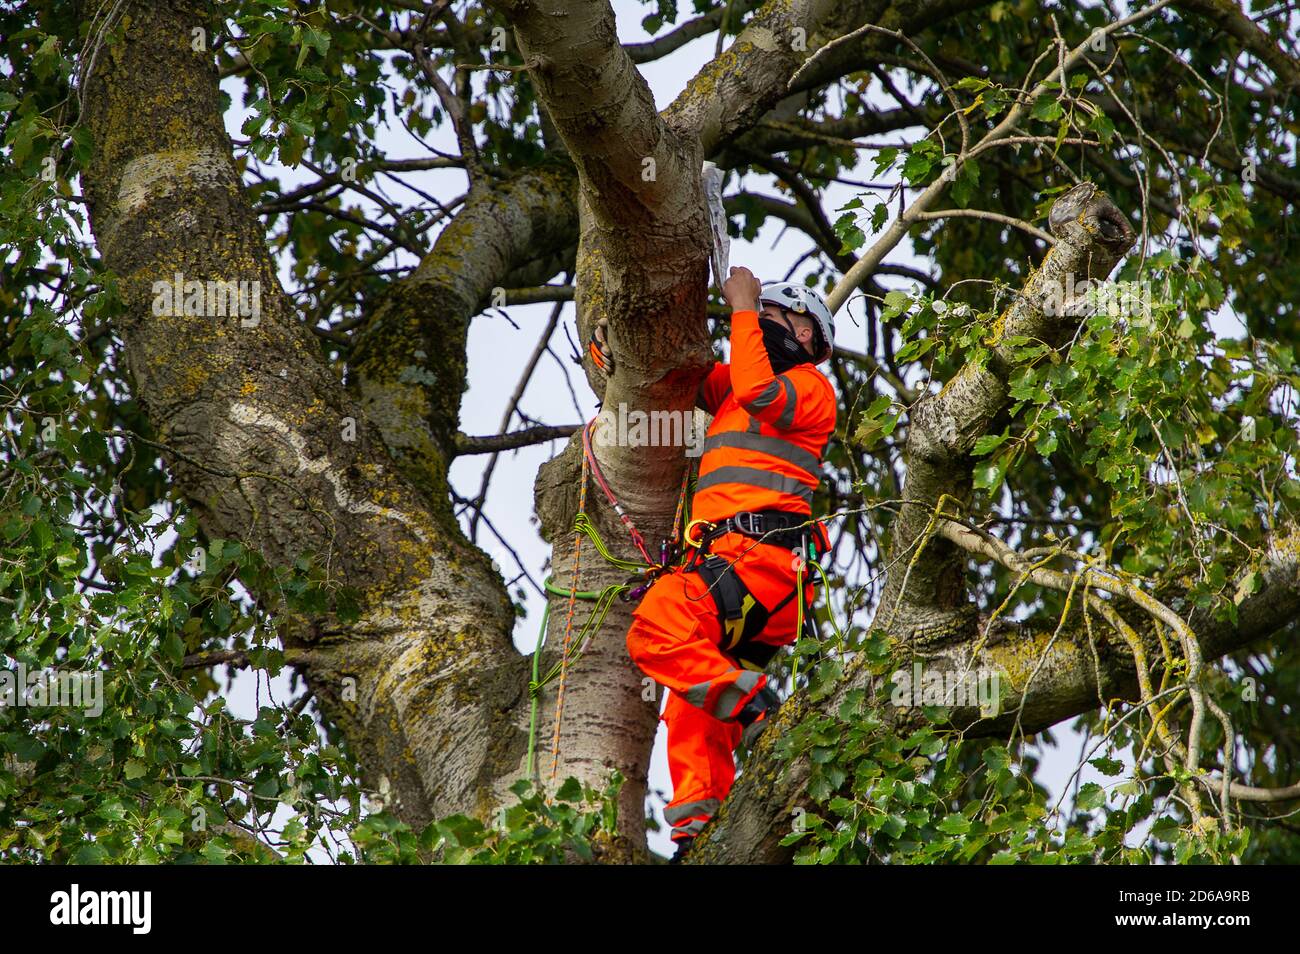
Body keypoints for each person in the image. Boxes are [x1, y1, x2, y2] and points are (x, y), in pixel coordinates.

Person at [624, 266, 837, 861]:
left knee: (657, 627)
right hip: (739, 567)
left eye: (776, 316)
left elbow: (754, 390)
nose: (763, 322)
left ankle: (756, 703)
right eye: (761, 316)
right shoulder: (736, 389)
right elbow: (680, 381)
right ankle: (698, 829)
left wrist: (743, 304)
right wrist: (614, 352)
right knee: (692, 698)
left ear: (807, 335)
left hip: (762, 561)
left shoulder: (808, 387)